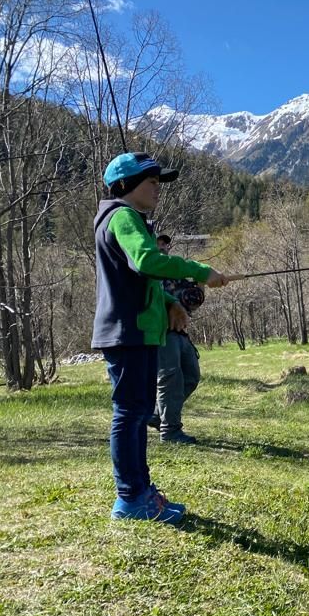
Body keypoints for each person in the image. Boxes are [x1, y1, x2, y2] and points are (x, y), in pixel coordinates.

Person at [92, 152, 229, 524]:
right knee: (129, 413)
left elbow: (140, 278)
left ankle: (142, 492)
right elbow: (147, 261)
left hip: (138, 331)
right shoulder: (122, 216)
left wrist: (171, 303)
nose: (157, 189)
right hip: (127, 331)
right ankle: (129, 498)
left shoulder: (125, 217)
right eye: (151, 182)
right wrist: (198, 270)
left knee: (138, 413)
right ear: (125, 185)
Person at [149, 234, 203, 444]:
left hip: (180, 332)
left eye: (165, 243)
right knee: (169, 379)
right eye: (158, 243)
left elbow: (192, 300)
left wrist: (201, 283)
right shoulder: (146, 271)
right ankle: (170, 431)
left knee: (191, 375)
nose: (163, 246)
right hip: (161, 332)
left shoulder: (175, 274)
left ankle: (157, 415)